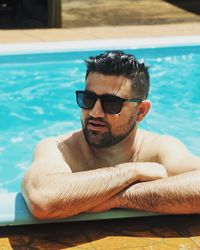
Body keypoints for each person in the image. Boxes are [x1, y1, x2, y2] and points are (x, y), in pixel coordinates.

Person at [21, 50, 200, 219]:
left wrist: (121, 198)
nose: (95, 112)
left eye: (111, 102)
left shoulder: (159, 147)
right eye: (88, 99)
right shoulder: (59, 147)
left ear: (141, 111)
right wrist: (130, 172)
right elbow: (42, 201)